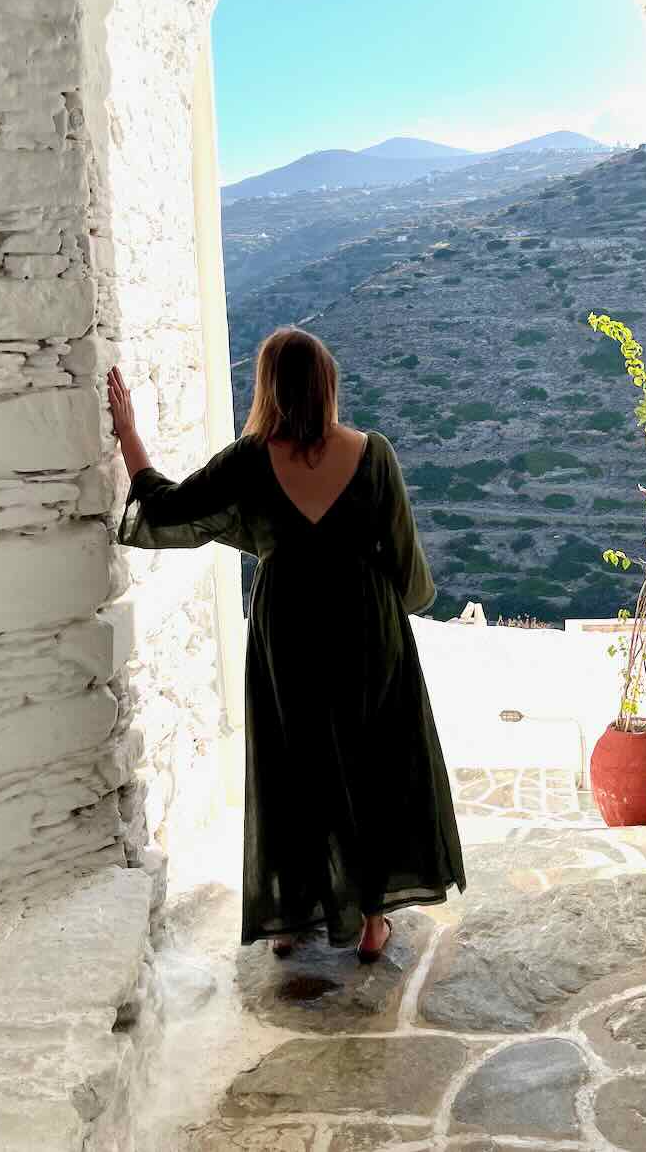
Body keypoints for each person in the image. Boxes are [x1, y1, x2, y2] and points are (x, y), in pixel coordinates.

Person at [107, 326, 466, 962]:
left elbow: (165, 510)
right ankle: (374, 919)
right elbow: (408, 570)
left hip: (289, 633)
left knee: (294, 766)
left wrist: (129, 434)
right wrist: (398, 611)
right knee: (372, 765)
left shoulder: (249, 459)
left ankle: (293, 916)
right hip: (367, 632)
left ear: (268, 387)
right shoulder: (374, 454)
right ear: (328, 385)